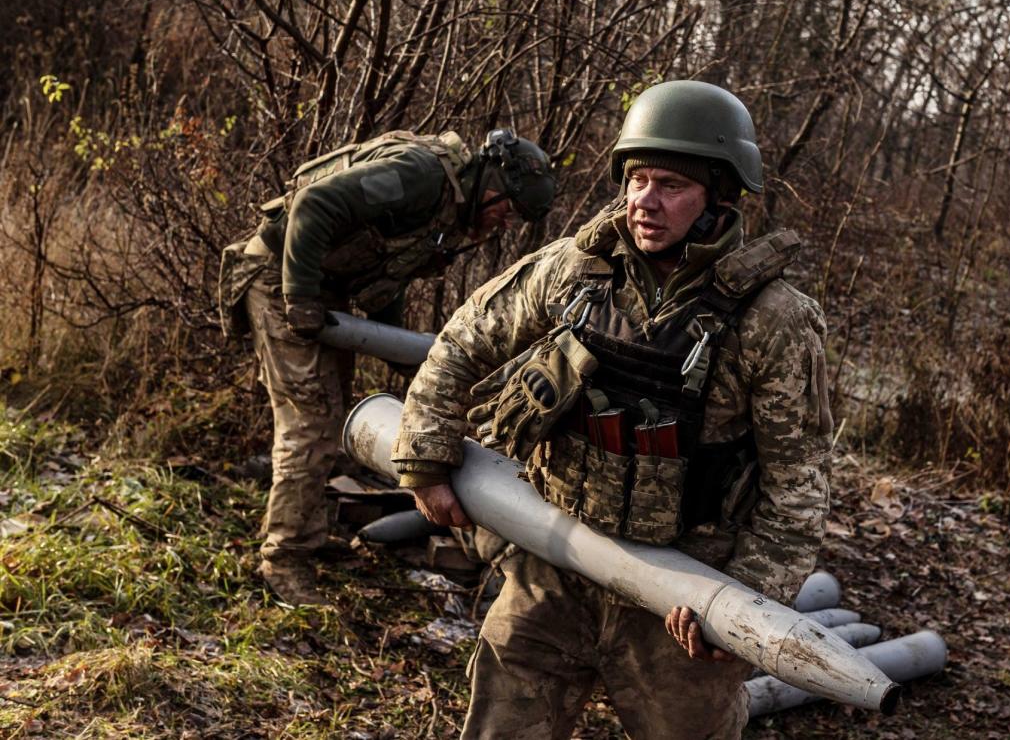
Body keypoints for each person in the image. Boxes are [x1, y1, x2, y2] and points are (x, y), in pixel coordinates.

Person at [392, 81, 833, 738]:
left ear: (719, 194)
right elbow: (462, 341)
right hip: (553, 562)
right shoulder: (575, 271)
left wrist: (740, 607)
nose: (643, 201)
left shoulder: (772, 319)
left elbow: (796, 485)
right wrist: (424, 455)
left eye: (670, 185)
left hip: (680, 591)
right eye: (636, 179)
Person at [217, 128, 556, 606]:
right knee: (311, 422)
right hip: (279, 276)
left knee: (325, 417)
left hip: (319, 286)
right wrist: (299, 296)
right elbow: (314, 205)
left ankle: (305, 534)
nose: (505, 220)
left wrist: (397, 352)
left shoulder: (449, 208)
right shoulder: (419, 176)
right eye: (508, 206)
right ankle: (285, 558)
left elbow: (389, 271)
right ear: (491, 177)